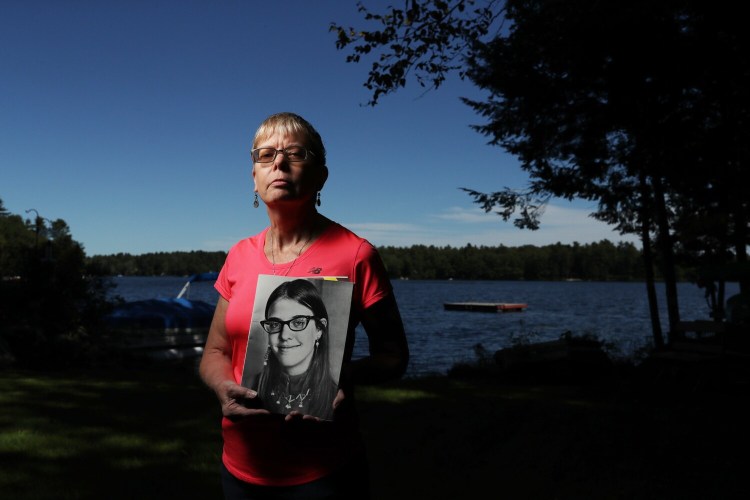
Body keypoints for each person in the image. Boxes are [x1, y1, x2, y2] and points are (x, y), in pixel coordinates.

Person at [199, 111, 409, 499]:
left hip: (323, 472)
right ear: (254, 178)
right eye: (264, 155)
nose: (277, 162)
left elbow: (393, 355)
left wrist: (344, 380)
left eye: (294, 154)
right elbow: (215, 350)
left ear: (320, 176)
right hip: (241, 467)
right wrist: (221, 386)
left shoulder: (356, 255)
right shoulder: (239, 256)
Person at [254, 278, 338, 421]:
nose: (284, 335)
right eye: (275, 324)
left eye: (298, 322)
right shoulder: (252, 387)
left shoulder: (335, 397)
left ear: (319, 329)